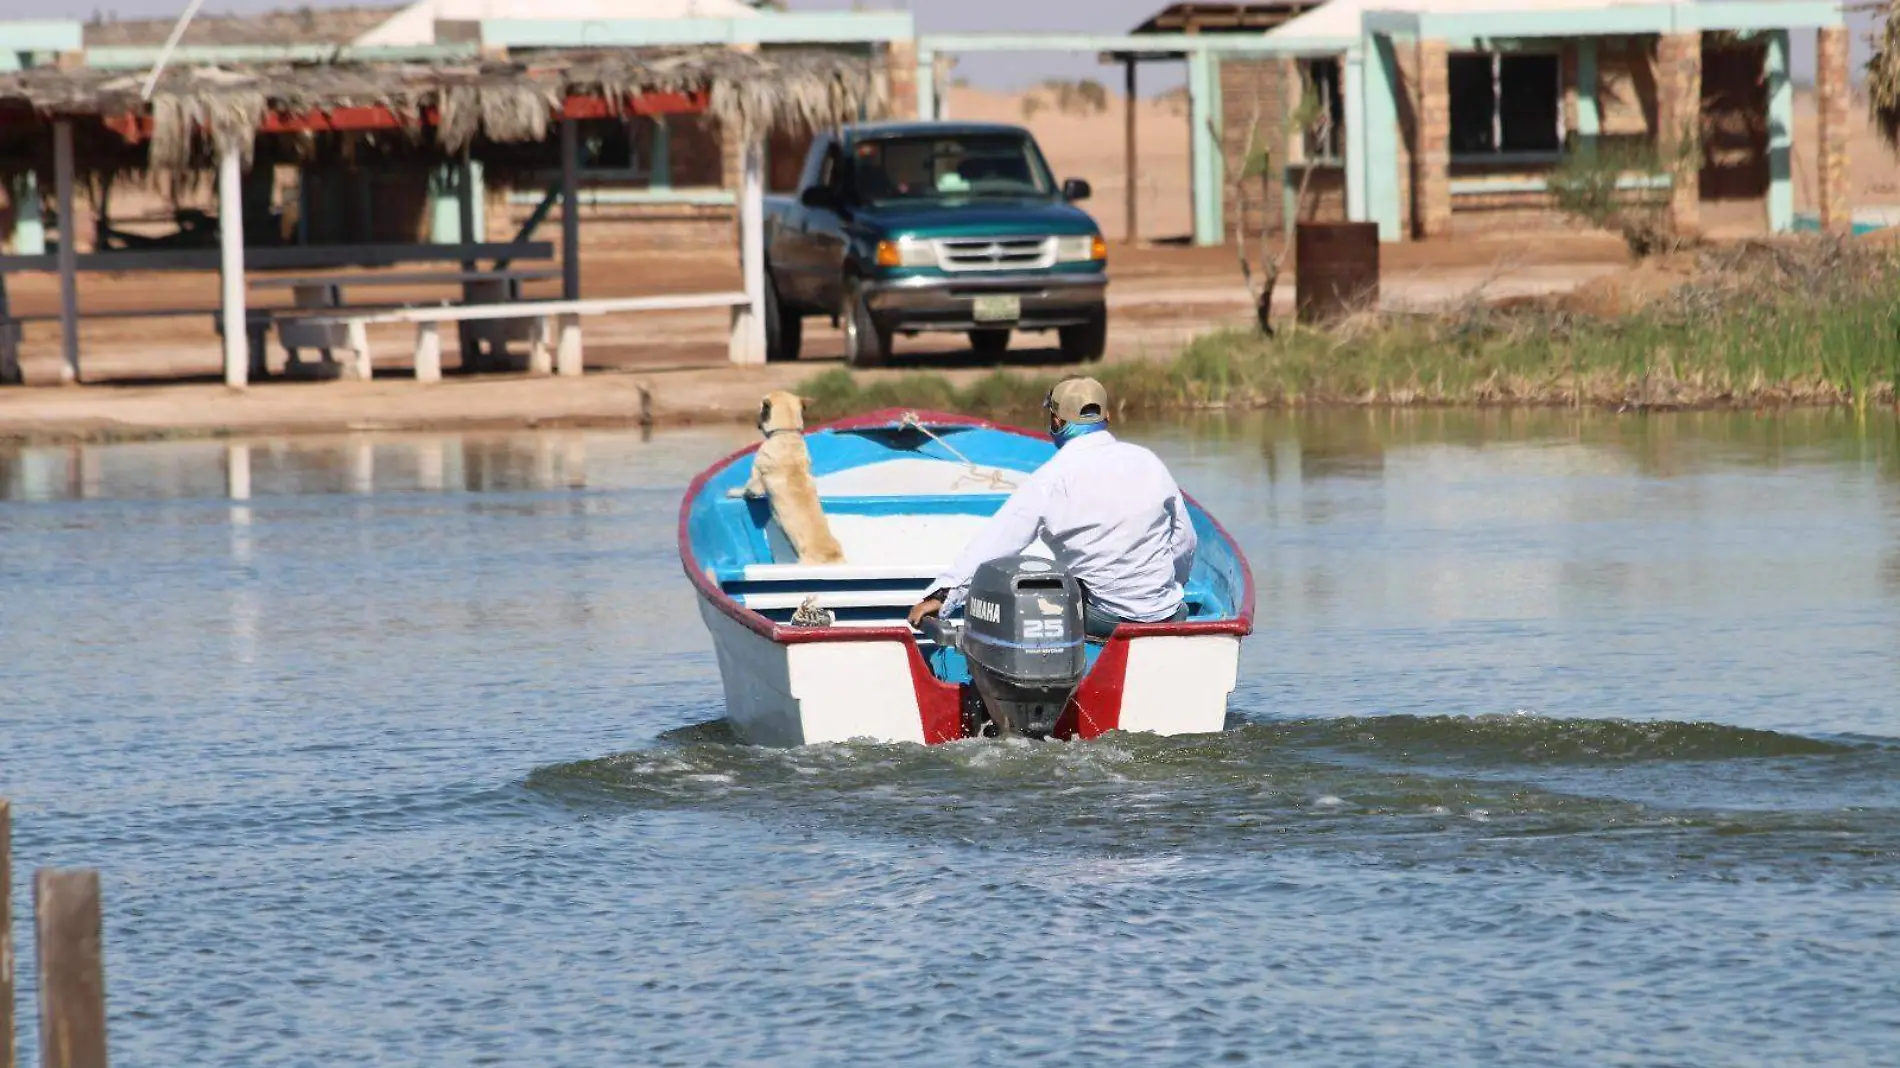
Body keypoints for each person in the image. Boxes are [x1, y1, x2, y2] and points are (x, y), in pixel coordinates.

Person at [907, 376, 1198, 640]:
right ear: (1107, 416)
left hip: (1106, 622)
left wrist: (944, 594)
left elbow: (996, 543)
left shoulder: (1049, 480)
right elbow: (1185, 539)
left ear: (1056, 422)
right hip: (1169, 614)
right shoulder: (1148, 461)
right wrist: (1170, 588)